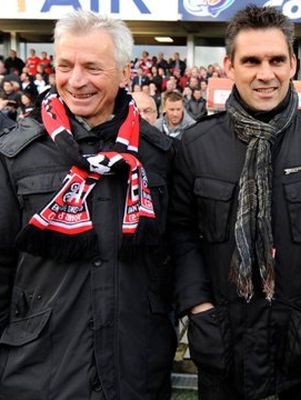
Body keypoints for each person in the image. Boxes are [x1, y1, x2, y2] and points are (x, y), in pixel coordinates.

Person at [169, 5, 301, 400]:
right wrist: (200, 309)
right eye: (251, 61)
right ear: (229, 65)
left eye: (277, 59)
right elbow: (179, 236)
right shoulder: (195, 146)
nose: (266, 73)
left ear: (293, 63)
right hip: (223, 346)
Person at [0, 10, 176, 399]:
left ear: (124, 72)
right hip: (40, 375)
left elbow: (174, 257)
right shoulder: (16, 155)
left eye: (93, 68)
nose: (76, 81)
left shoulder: (161, 155)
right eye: (65, 66)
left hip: (138, 370)